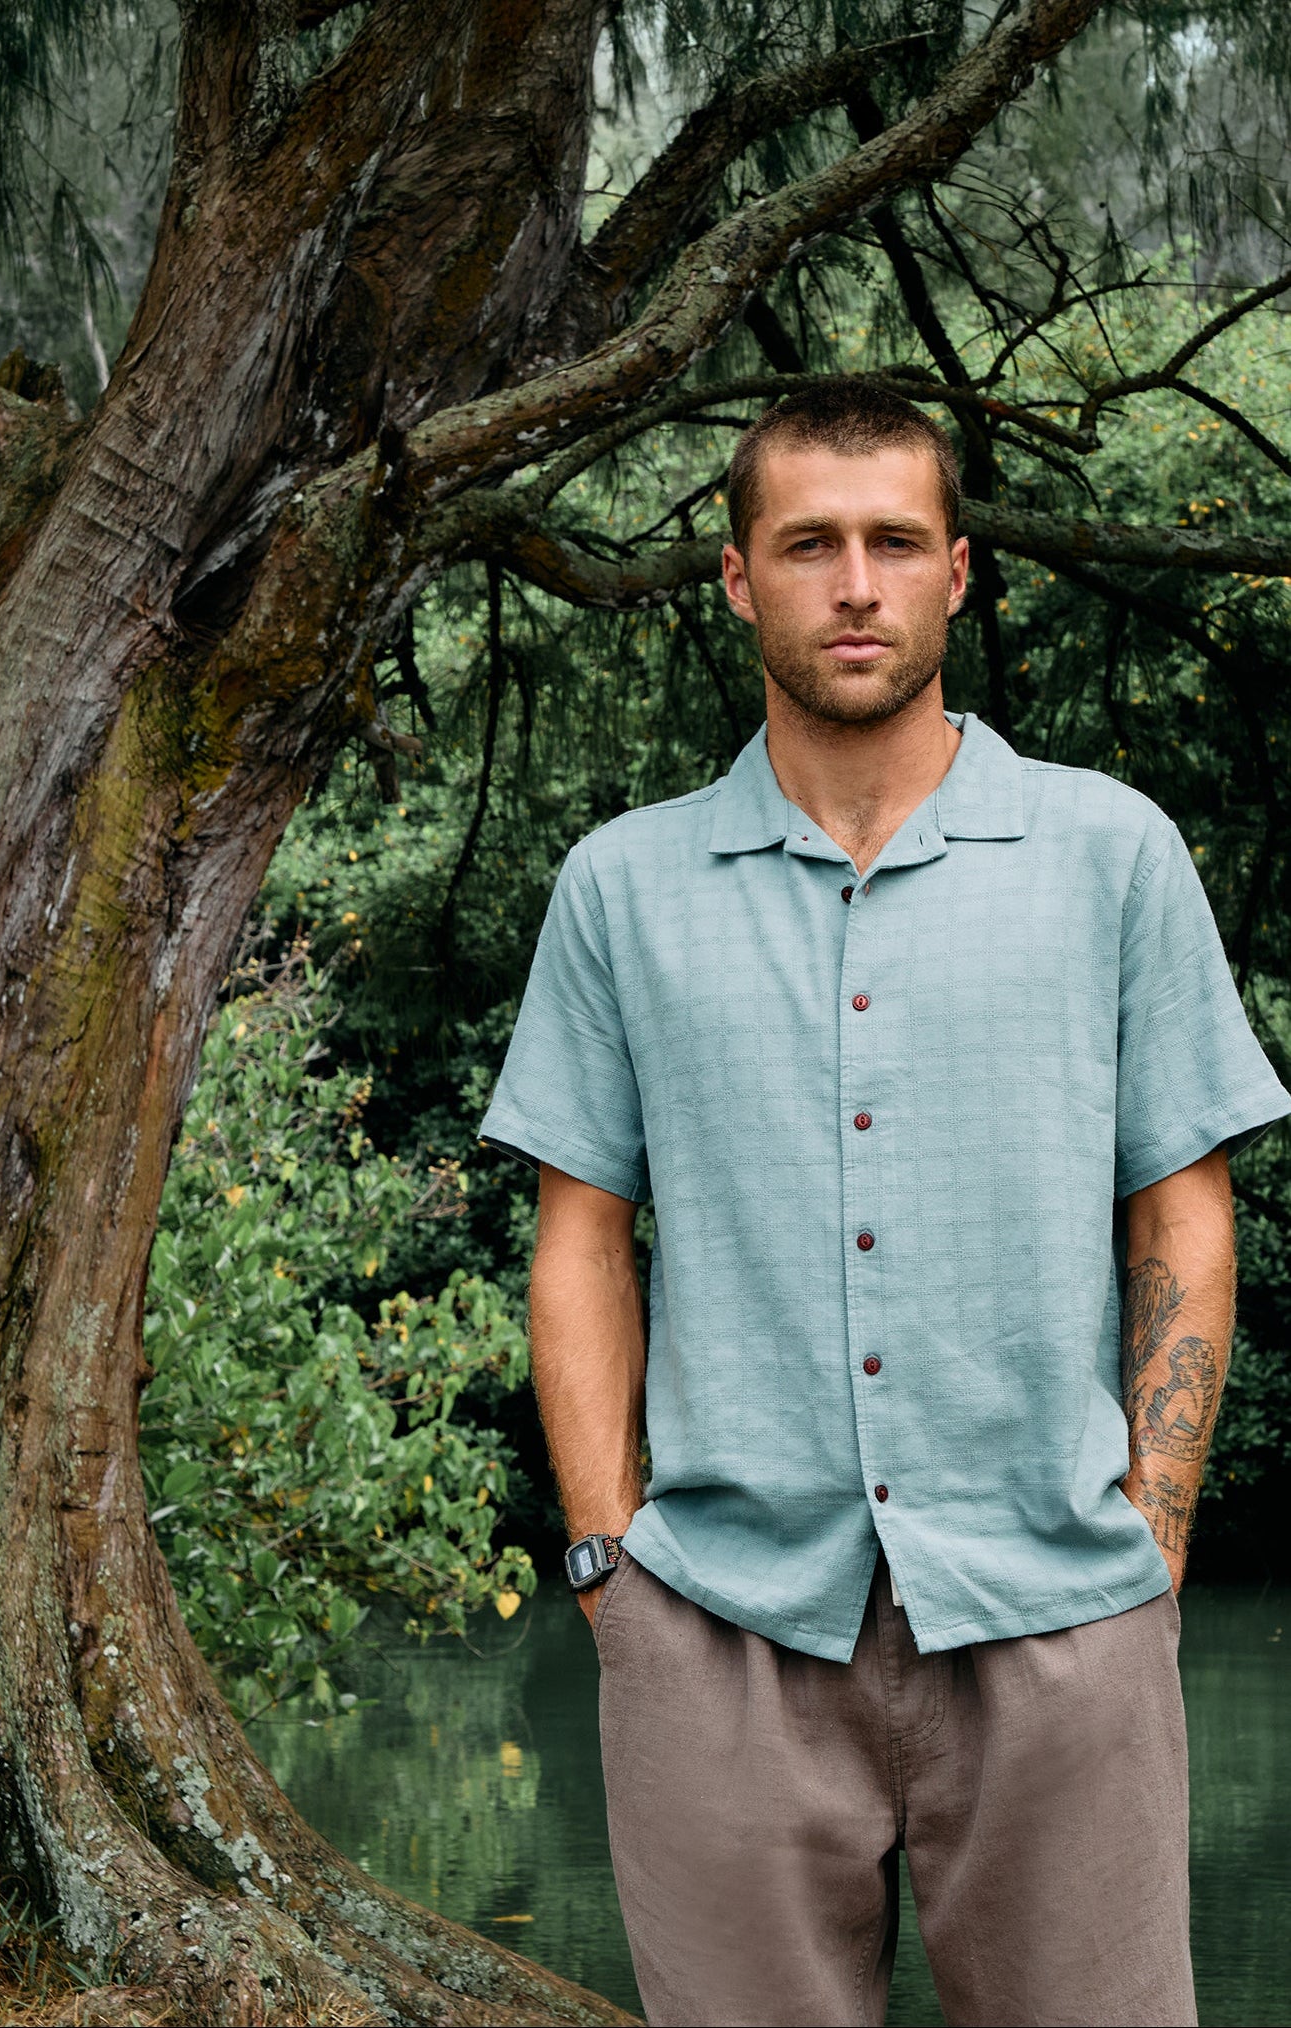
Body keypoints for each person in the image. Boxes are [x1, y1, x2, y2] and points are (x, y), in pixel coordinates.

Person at [477, 381, 1290, 2028]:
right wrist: (606, 1565)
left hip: (1064, 1612)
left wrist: (1156, 1531)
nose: (854, 583)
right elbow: (580, 1245)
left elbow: (1183, 1219)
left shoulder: (1108, 856)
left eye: (893, 543)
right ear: (734, 578)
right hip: (717, 1629)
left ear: (958, 574)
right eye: (810, 544)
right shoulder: (621, 889)